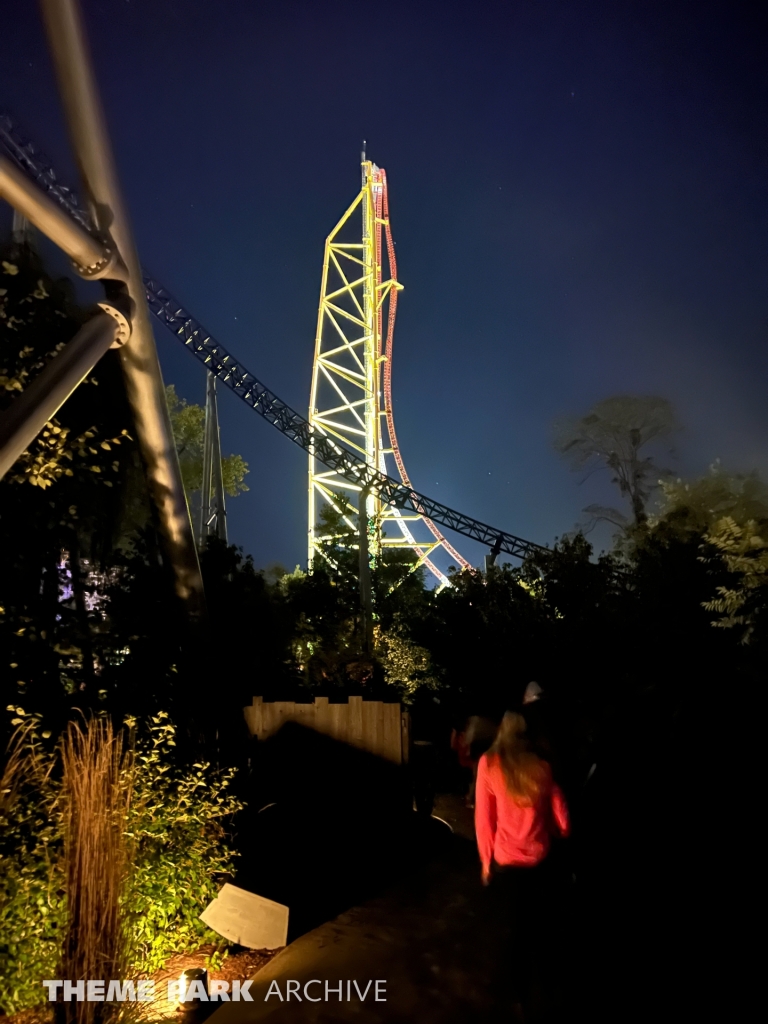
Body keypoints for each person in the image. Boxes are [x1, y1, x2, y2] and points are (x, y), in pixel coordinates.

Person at [475, 711, 570, 1017]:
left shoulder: (489, 764)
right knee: (543, 927)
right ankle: (551, 990)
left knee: (516, 931)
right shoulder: (542, 766)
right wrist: (557, 828)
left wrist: (486, 863)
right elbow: (563, 821)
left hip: (507, 864)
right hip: (541, 861)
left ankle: (520, 997)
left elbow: (484, 820)